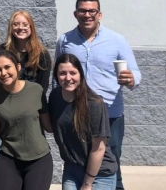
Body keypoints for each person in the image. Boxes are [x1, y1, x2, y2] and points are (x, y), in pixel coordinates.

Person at [56, 0, 141, 190]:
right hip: (76, 113)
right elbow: (58, 74)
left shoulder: (117, 40)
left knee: (111, 166)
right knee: (77, 160)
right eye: (83, 11)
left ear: (99, 14)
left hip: (110, 114)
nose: (87, 15)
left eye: (92, 11)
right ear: (75, 14)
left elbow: (135, 72)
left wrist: (132, 79)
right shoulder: (65, 40)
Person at [0, 50, 53, 190]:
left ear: (18, 67)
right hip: (9, 158)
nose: (3, 73)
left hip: (39, 160)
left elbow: (48, 126)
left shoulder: (36, 90)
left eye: (7, 67)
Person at [49, 54, 118, 190]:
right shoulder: (55, 96)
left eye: (73, 73)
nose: (68, 78)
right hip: (72, 168)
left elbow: (99, 148)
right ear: (56, 76)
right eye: (62, 73)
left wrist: (87, 183)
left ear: (80, 74)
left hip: (99, 172)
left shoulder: (94, 104)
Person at [5, 10, 52, 91]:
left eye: (25, 25)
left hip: (33, 101)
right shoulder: (3, 51)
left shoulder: (42, 54)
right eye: (16, 24)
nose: (20, 27)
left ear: (31, 27)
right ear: (11, 28)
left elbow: (43, 87)